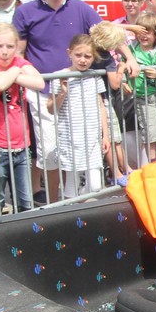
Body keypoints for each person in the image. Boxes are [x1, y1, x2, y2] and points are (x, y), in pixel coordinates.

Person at [13, 0, 102, 202]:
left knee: (75, 147)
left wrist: (128, 58)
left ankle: (73, 198)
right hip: (42, 93)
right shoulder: (25, 12)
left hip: (76, 92)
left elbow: (105, 35)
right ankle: (56, 203)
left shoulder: (82, 9)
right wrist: (30, 80)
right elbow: (19, 53)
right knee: (50, 151)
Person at [0, 23, 43, 216]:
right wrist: (15, 72)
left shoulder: (19, 62)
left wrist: (13, 72)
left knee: (25, 203)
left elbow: (39, 82)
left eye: (10, 47)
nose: (5, 52)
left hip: (21, 147)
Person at [91, 17, 156, 163]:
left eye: (148, 32)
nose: (143, 36)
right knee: (150, 133)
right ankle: (152, 162)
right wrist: (124, 82)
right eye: (140, 32)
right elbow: (122, 66)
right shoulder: (131, 49)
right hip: (142, 97)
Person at [49, 34, 107, 198]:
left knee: (95, 185)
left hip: (92, 136)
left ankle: (81, 198)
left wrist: (106, 135)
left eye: (87, 56)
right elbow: (51, 108)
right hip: (70, 137)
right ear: (70, 53)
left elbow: (101, 106)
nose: (82, 60)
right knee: (71, 181)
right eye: (78, 55)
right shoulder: (59, 76)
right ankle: (73, 206)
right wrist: (62, 93)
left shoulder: (94, 75)